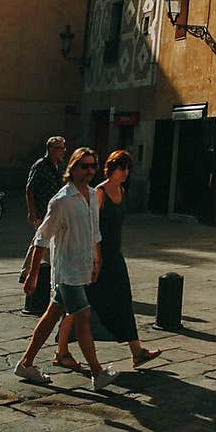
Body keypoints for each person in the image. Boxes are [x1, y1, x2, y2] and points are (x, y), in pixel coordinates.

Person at [14, 147, 119, 390]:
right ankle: (97, 372)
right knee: (83, 316)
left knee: (52, 314)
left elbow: (95, 232)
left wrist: (97, 260)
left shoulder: (93, 196)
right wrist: (33, 273)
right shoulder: (61, 201)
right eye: (84, 166)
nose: (90, 170)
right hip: (66, 270)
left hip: (82, 266)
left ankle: (26, 362)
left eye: (93, 165)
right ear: (72, 168)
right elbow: (41, 238)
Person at [54, 149, 160, 371]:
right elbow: (92, 227)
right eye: (123, 168)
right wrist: (95, 257)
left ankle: (136, 352)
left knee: (123, 299)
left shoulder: (121, 190)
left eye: (128, 169)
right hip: (96, 257)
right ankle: (61, 351)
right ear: (112, 168)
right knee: (75, 306)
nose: (126, 173)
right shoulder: (99, 193)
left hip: (115, 256)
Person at [20, 136, 67, 313]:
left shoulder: (60, 166)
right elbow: (29, 189)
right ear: (51, 149)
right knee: (41, 243)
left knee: (45, 245)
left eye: (63, 148)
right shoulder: (40, 165)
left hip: (56, 212)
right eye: (59, 148)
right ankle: (30, 273)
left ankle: (36, 274)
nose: (62, 151)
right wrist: (31, 211)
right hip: (42, 212)